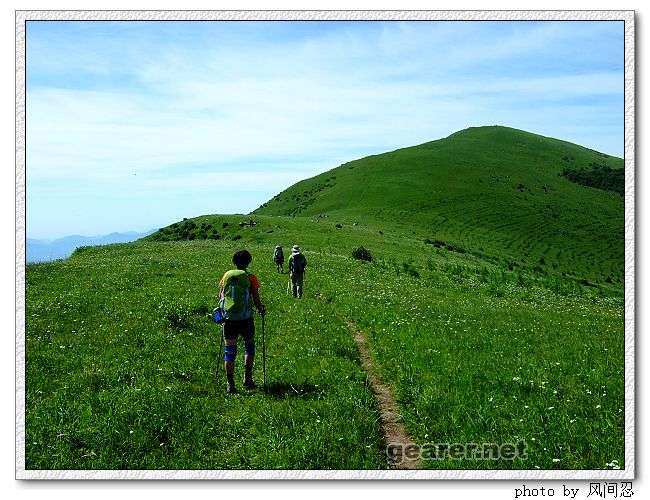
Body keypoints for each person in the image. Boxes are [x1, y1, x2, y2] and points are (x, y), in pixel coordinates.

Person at [218, 250, 266, 394]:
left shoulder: (226, 276)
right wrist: (261, 309)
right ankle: (248, 378)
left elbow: (220, 296)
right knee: (249, 347)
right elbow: (256, 298)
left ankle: (230, 384)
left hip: (229, 320)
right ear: (249, 261)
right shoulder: (251, 277)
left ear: (234, 262)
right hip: (246, 319)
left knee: (229, 351)